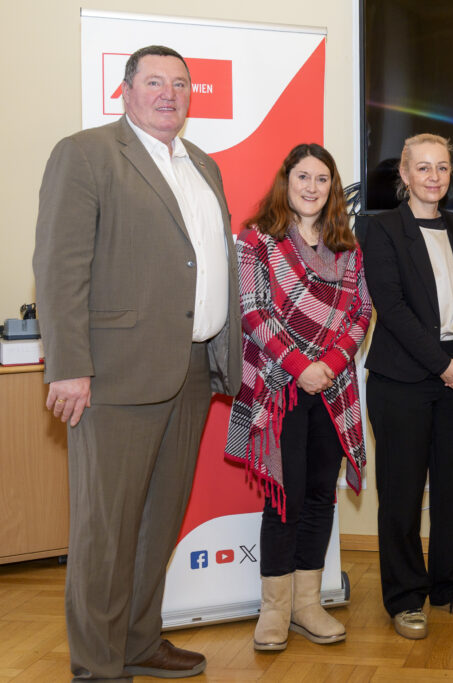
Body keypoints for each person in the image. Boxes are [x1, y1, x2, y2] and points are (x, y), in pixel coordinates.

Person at [33, 45, 241, 680]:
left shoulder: (203, 164)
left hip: (191, 370)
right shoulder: (88, 153)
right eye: (154, 82)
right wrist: (68, 364)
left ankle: (138, 640)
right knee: (106, 530)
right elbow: (59, 266)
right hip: (114, 377)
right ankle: (98, 664)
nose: (169, 94)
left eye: (180, 84)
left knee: (158, 520)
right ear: (126, 90)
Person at [224, 143, 371, 652]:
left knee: (318, 495)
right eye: (303, 177)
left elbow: (361, 314)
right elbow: (252, 312)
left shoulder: (346, 245)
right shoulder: (257, 240)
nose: (312, 187)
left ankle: (309, 605)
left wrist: (328, 366)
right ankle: (275, 610)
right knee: (283, 499)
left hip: (333, 390)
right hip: (281, 388)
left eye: (322, 179)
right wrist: (301, 367)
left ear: (332, 189)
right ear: (286, 181)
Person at [363, 134, 453, 640]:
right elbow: (390, 309)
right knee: (402, 490)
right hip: (404, 379)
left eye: (442, 168)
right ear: (405, 175)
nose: (433, 177)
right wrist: (442, 364)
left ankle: (449, 585)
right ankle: (405, 597)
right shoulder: (382, 229)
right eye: (423, 168)